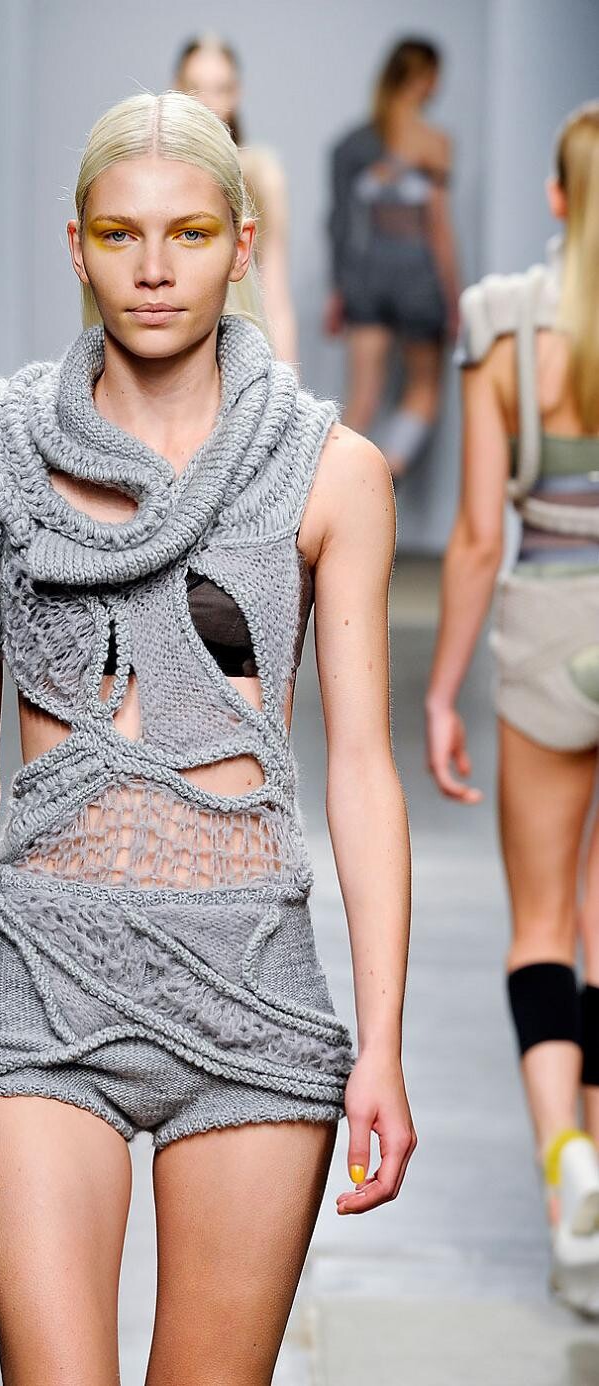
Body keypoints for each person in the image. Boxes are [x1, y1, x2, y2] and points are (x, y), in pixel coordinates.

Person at [0, 90, 415, 1382]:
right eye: (121, 234)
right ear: (76, 247)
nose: (154, 267)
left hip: (251, 982)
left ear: (241, 245)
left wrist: (384, 1045)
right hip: (40, 976)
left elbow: (359, 768)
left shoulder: (329, 473)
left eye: (188, 232)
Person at [426, 101, 599, 1316]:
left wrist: (440, 689)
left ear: (554, 196)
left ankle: (563, 1163)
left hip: (544, 631)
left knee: (539, 922)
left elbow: (478, 538)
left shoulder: (501, 327)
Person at [325, 38, 461, 482]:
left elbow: (339, 223)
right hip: (418, 278)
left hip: (365, 277)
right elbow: (438, 229)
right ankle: (384, 476)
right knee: (424, 391)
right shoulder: (434, 143)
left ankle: (334, 489)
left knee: (361, 399)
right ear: (423, 79)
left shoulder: (353, 144)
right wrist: (455, 302)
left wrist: (339, 288)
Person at [174, 33, 299, 364]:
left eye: (221, 88)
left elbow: (275, 294)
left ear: (237, 92)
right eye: (196, 87)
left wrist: (289, 383)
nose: (208, 102)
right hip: (166, 351)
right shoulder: (152, 174)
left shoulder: (260, 176)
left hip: (241, 354)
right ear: (176, 88)